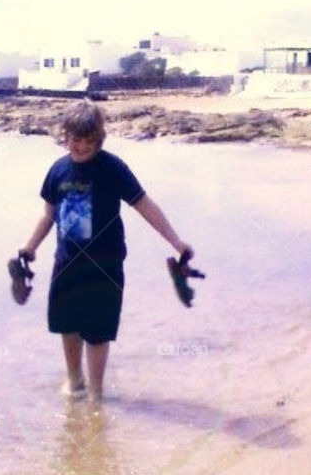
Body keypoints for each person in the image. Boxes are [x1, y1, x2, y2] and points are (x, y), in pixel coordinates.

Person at [20, 100, 193, 405]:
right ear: (65, 136)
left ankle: (97, 395)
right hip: (67, 264)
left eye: (89, 141)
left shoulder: (113, 169)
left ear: (99, 139)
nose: (82, 147)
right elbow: (48, 215)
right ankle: (75, 382)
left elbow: (145, 205)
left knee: (98, 332)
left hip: (106, 264)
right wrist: (30, 247)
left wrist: (175, 241)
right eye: (76, 139)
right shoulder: (58, 170)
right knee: (68, 325)